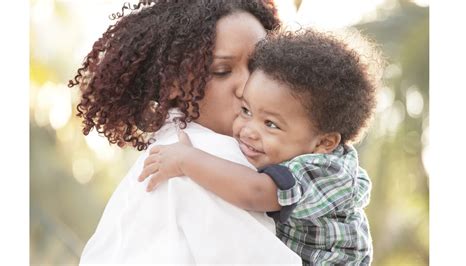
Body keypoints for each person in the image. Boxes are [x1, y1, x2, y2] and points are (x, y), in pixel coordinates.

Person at [69, 0, 301, 264]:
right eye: (222, 71)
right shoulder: (204, 160)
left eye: (260, 65)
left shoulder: (171, 151)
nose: (249, 85)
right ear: (173, 85)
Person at [139, 28, 384, 265]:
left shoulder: (324, 171)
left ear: (324, 142)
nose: (248, 130)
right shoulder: (287, 151)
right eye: (246, 111)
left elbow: (256, 192)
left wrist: (188, 160)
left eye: (271, 124)